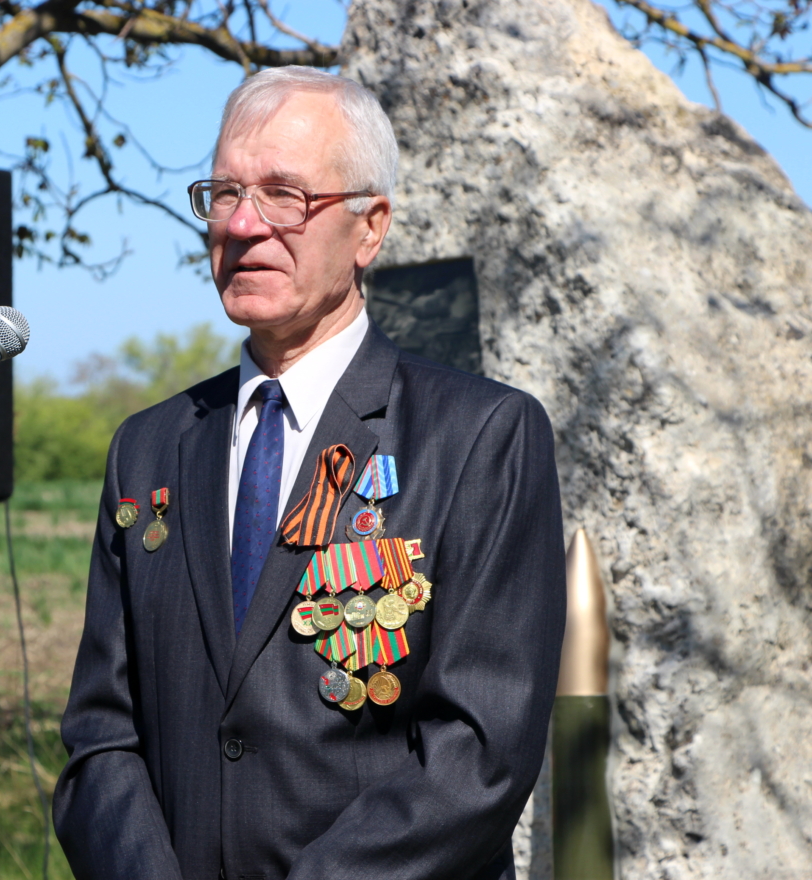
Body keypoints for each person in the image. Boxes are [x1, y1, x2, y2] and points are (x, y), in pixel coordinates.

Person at [53, 67, 566, 880]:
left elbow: (479, 751)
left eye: (284, 195)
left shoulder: (479, 438)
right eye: (225, 194)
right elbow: (101, 735)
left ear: (370, 229)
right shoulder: (148, 449)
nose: (243, 224)